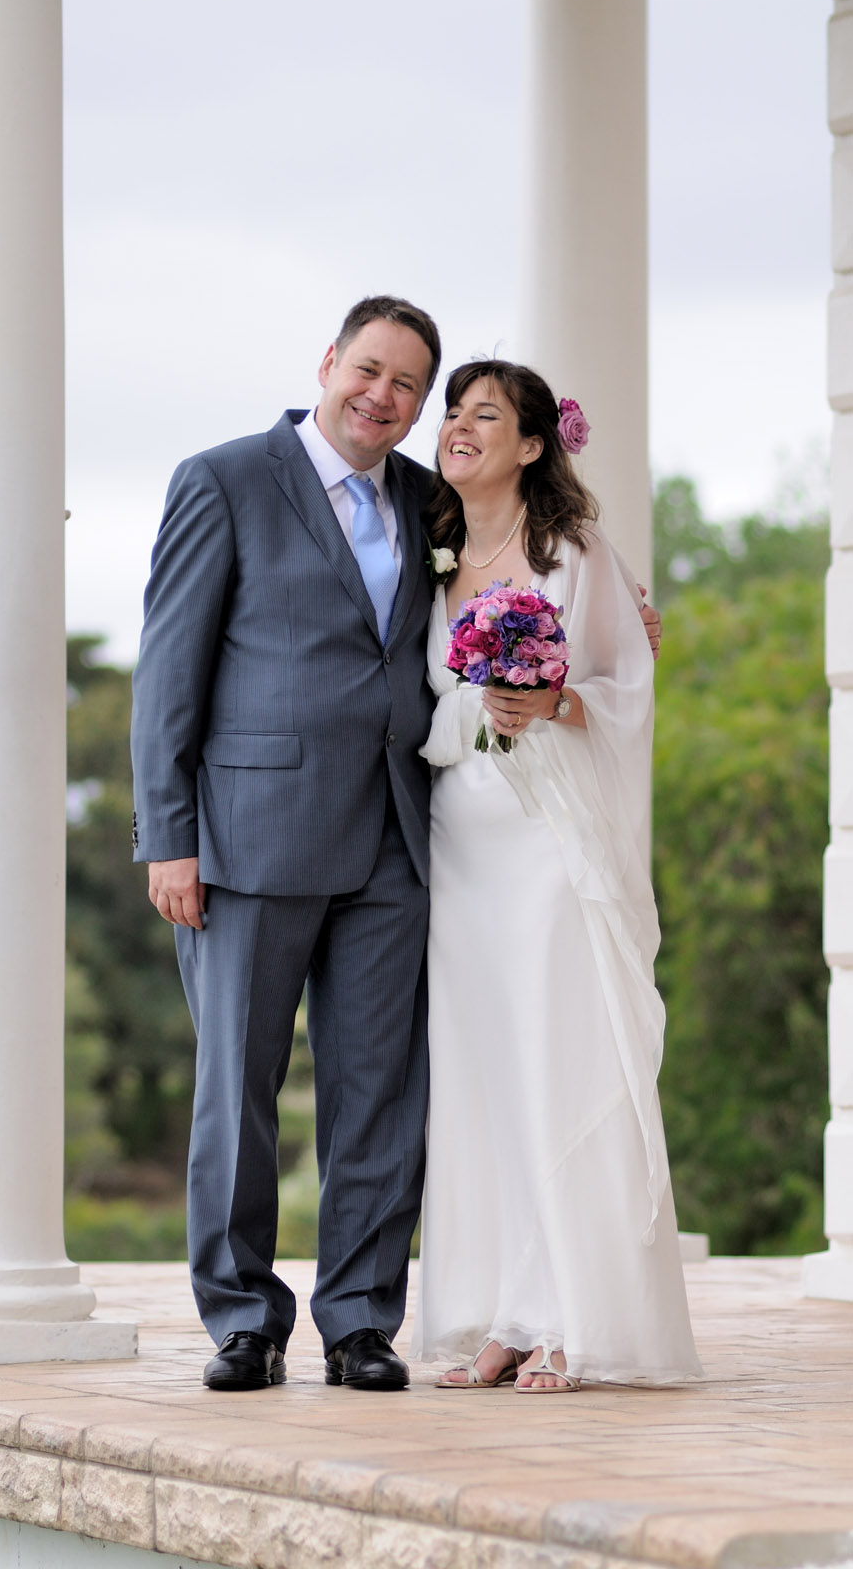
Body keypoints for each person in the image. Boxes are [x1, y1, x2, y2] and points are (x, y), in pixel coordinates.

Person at [131, 301, 663, 1394]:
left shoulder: (431, 500)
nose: (385, 395)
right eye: (368, 370)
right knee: (239, 1089)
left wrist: (615, 624)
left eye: (407, 386)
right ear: (327, 364)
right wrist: (168, 837)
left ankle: (361, 1321)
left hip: (399, 842)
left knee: (381, 1093)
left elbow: (545, 565)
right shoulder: (222, 479)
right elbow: (166, 673)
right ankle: (243, 1319)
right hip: (249, 836)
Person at [412, 359, 701, 1392]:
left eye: (482, 413)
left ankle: (576, 1316)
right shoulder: (427, 542)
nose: (457, 426)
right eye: (452, 410)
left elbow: (628, 681)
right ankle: (506, 1309)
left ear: (532, 444)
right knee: (483, 1072)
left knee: (556, 1058)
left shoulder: (569, 550)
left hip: (547, 840)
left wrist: (556, 701)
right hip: (461, 842)